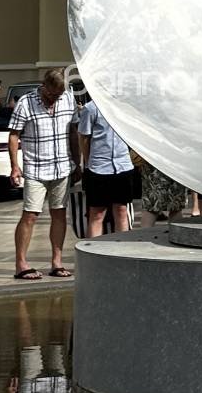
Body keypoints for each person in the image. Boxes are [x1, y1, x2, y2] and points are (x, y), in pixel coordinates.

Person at [8, 70, 77, 280]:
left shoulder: (68, 99)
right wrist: (15, 166)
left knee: (59, 213)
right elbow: (14, 135)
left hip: (62, 167)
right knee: (30, 215)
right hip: (36, 169)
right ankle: (21, 264)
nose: (54, 98)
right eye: (51, 94)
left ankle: (57, 262)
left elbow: (73, 132)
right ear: (43, 86)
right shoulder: (26, 103)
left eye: (58, 95)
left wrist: (78, 163)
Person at [76, 98, 139, 238]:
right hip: (99, 167)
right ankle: (94, 249)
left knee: (121, 210)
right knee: (97, 214)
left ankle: (122, 248)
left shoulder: (124, 107)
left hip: (123, 166)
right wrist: (88, 163)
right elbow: (84, 138)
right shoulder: (90, 108)